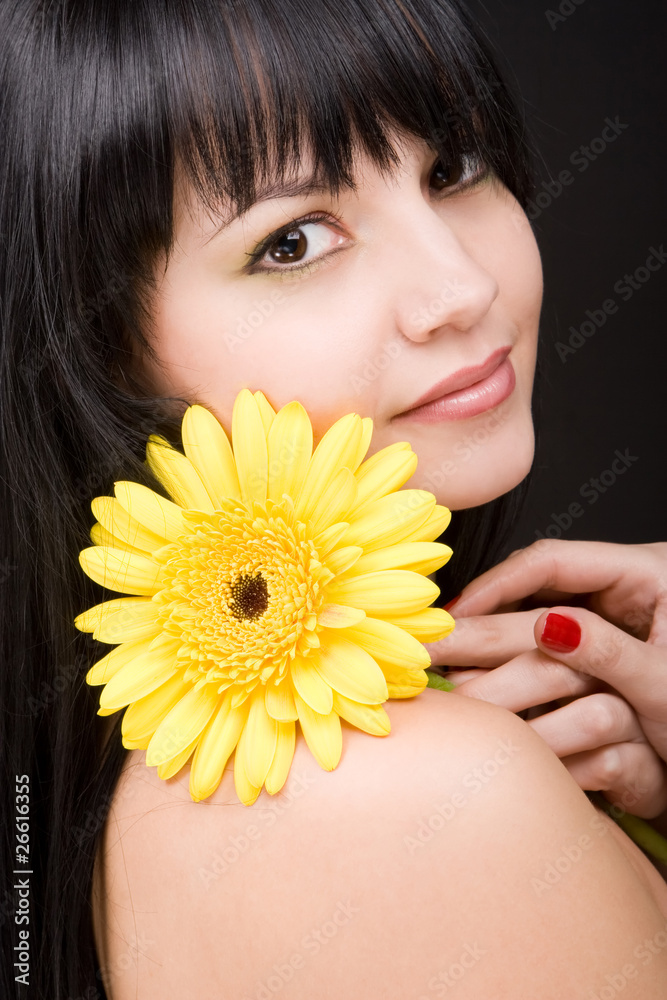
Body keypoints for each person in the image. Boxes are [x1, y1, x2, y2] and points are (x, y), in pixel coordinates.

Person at [1, 1, 666, 997]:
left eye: (451, 169)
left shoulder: (194, 767)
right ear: (96, 350)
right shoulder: (395, 795)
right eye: (294, 241)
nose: (459, 287)